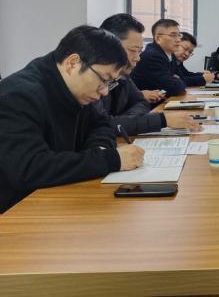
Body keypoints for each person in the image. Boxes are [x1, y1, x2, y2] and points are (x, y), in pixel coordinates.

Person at [0, 26, 145, 213]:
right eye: (103, 79)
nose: (104, 91)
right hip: (17, 212)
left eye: (110, 83)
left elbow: (101, 124)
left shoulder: (78, 88)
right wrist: (110, 159)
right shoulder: (18, 96)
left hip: (58, 198)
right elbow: (30, 169)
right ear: (73, 63)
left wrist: (98, 150)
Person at [95, 14, 200, 136]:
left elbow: (141, 102)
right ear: (108, 46)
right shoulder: (91, 80)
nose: (138, 58)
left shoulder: (123, 74)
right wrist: (161, 120)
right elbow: (102, 126)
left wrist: (125, 121)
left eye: (139, 51)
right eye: (133, 50)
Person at [130, 19, 186, 97]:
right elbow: (173, 88)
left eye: (179, 35)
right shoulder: (152, 56)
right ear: (158, 38)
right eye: (173, 35)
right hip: (147, 103)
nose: (178, 40)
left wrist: (177, 79)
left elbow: (182, 77)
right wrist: (178, 80)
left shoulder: (170, 54)